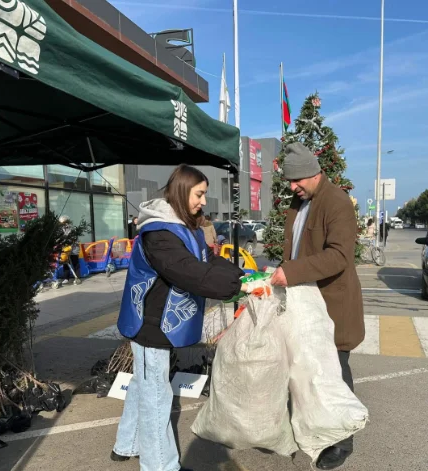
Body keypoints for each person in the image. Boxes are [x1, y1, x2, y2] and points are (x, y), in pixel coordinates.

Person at [113, 164, 249, 471]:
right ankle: (160, 465)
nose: (203, 201)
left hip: (162, 324)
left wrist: (241, 275)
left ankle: (125, 444)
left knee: (144, 385)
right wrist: (236, 286)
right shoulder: (158, 233)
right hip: (149, 325)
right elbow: (188, 271)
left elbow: (207, 259)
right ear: (181, 191)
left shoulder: (185, 227)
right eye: (199, 194)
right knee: (156, 397)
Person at [270, 142, 364, 470]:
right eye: (290, 182)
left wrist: (291, 271)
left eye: (296, 181)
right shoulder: (300, 201)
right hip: (303, 305)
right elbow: (296, 247)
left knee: (334, 375)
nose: (292, 187)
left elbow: (339, 255)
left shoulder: (336, 202)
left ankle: (342, 441)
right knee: (306, 372)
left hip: (331, 308)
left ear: (313, 172)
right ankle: (312, 429)